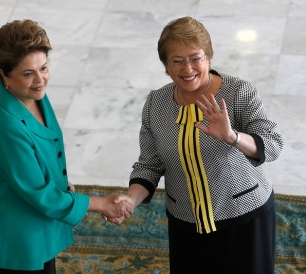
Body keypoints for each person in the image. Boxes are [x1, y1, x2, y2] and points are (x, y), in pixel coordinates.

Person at [107, 16, 284, 274]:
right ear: (166, 66)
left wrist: (232, 136)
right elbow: (150, 164)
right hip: (186, 222)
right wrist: (130, 200)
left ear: (209, 57)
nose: (187, 69)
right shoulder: (156, 104)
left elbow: (273, 144)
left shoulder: (238, 92)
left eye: (195, 58)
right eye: (177, 61)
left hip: (244, 218)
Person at [0, 19, 132, 274]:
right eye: (28, 73)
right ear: (3, 74)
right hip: (9, 239)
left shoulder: (29, 92)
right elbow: (38, 193)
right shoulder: (4, 126)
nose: (40, 80)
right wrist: (101, 204)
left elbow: (41, 151)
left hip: (31, 225)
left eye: (44, 68)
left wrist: (63, 186)